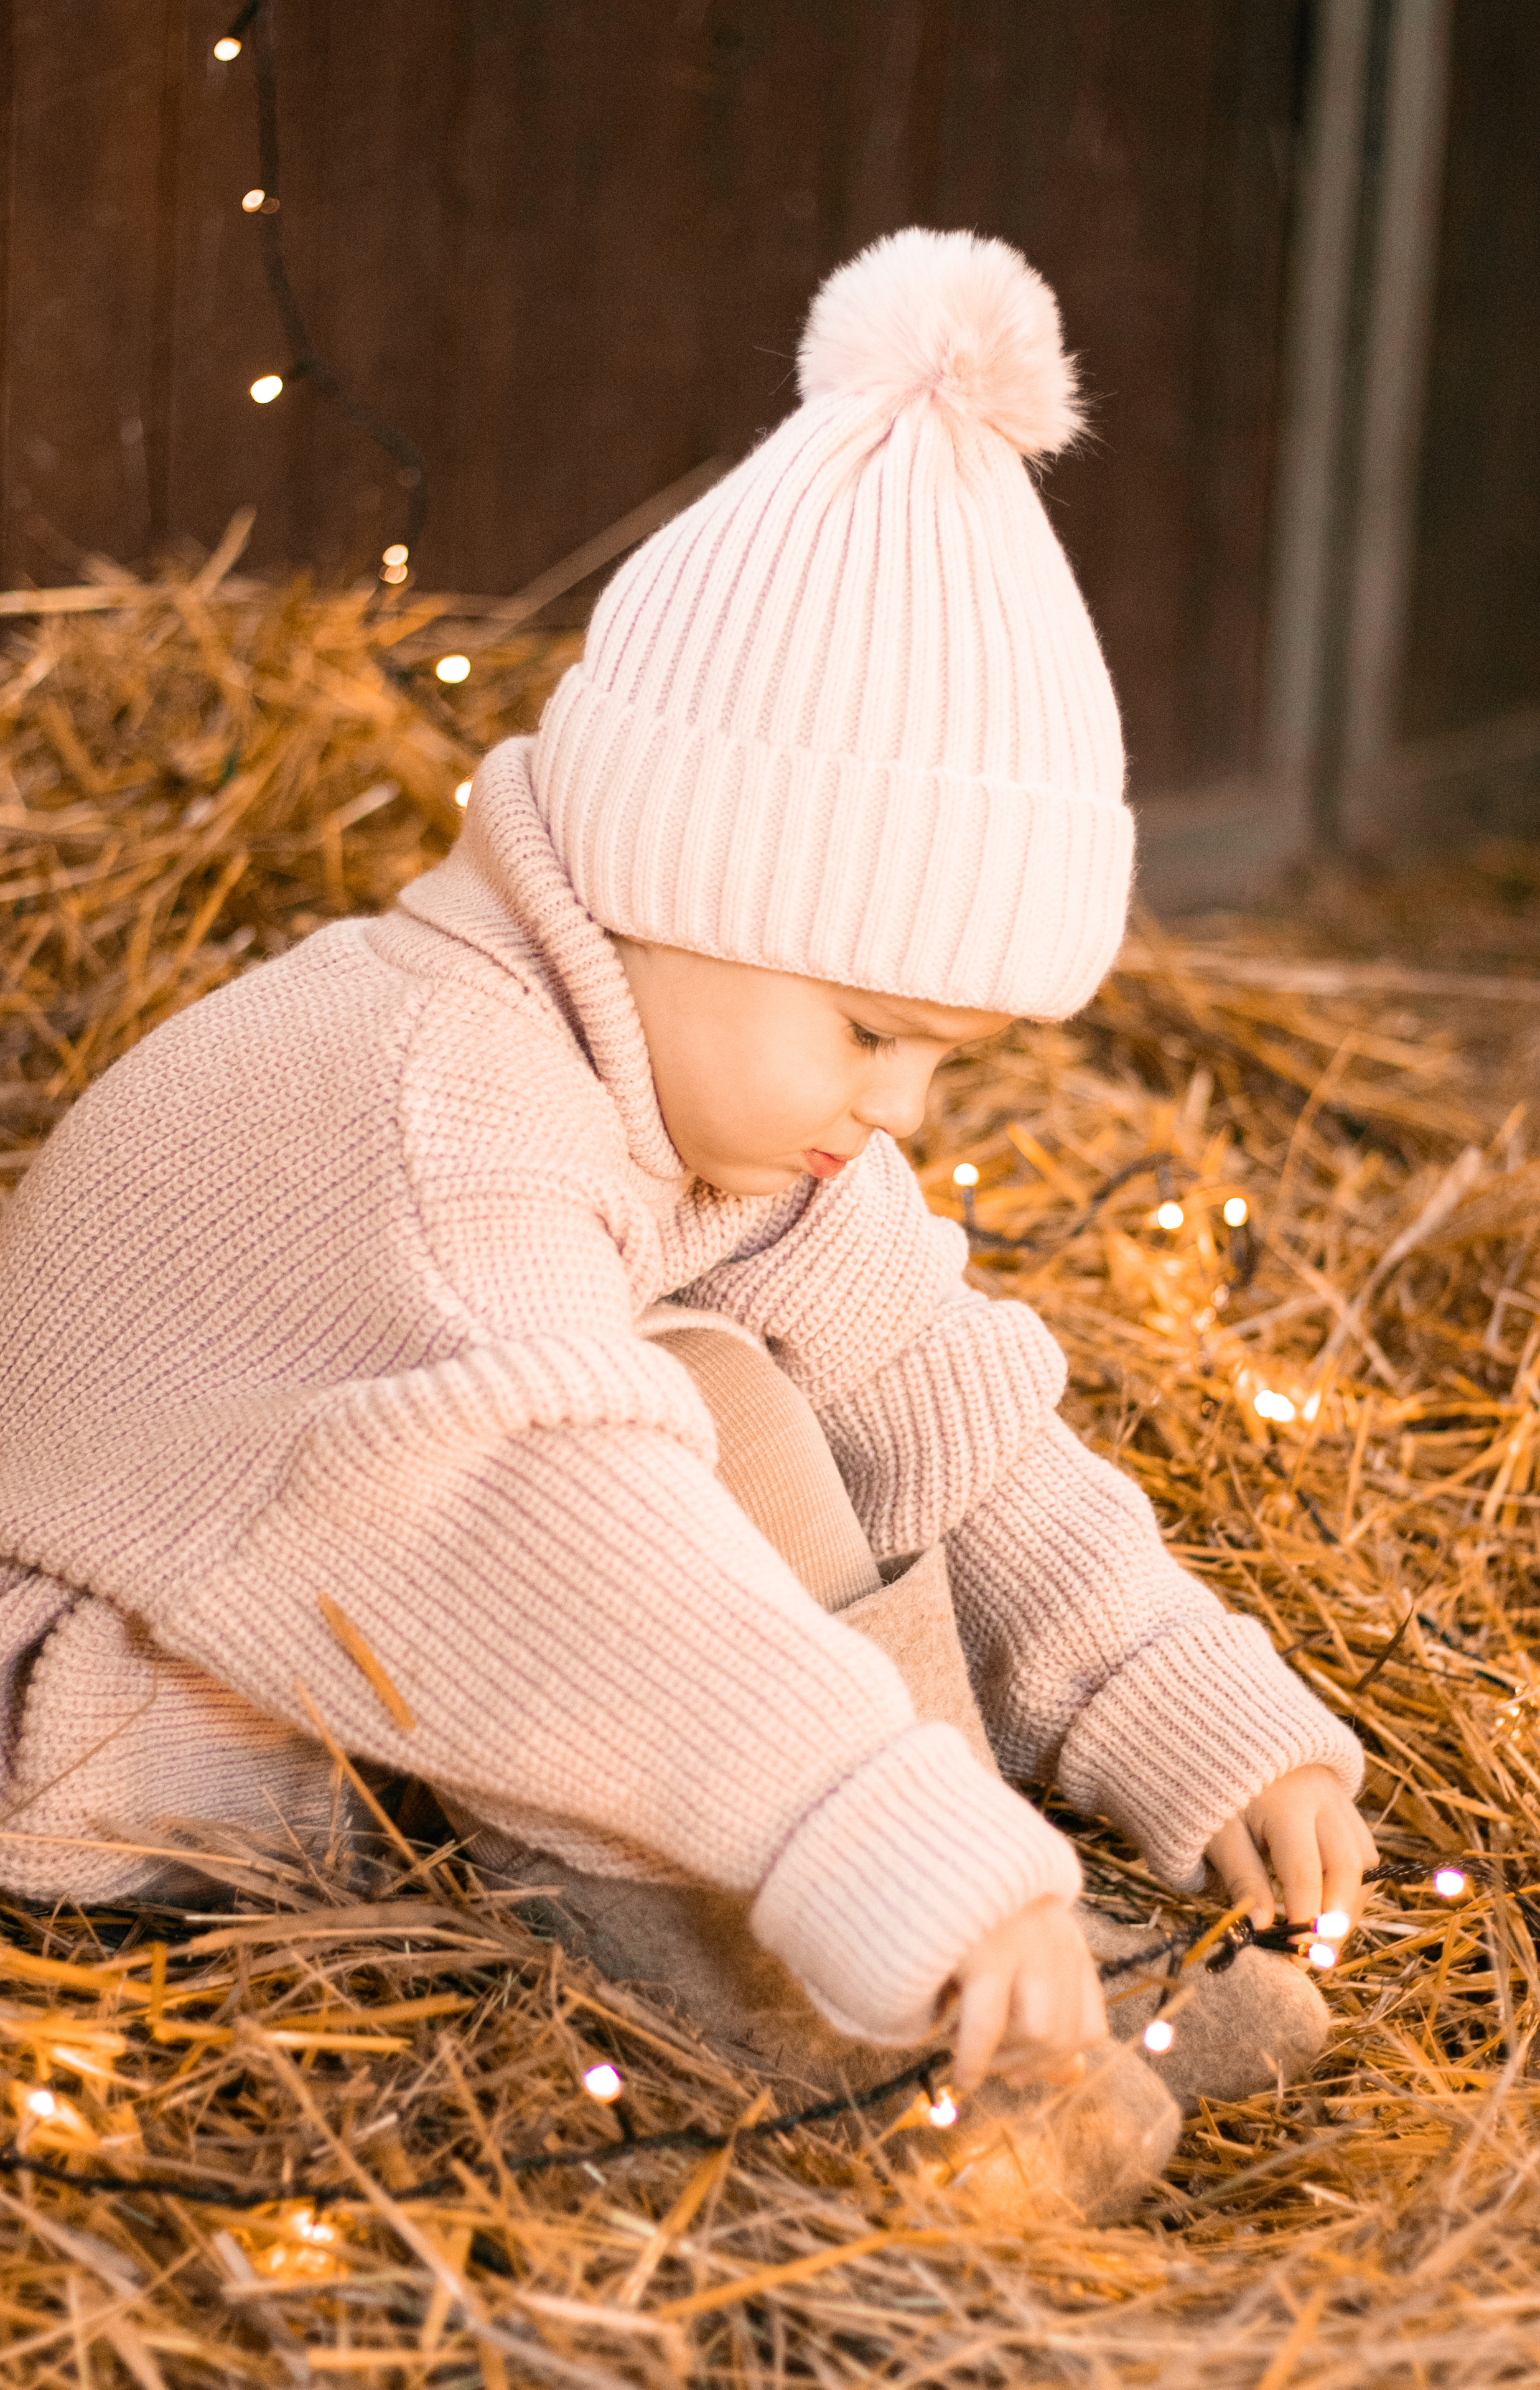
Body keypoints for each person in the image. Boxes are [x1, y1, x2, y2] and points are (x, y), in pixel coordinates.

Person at [0, 229, 1373, 2214]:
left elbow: (949, 1420)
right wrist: (887, 1839)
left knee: (765, 1366)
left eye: (946, 1061)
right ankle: (839, 2041)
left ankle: (974, 1977)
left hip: (363, 1682)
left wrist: (1195, 1719)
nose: (896, 1110)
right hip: (137, 1758)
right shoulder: (439, 1108)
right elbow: (573, 1554)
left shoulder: (726, 1115)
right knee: (686, 1415)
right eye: (873, 1031)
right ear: (675, 879)